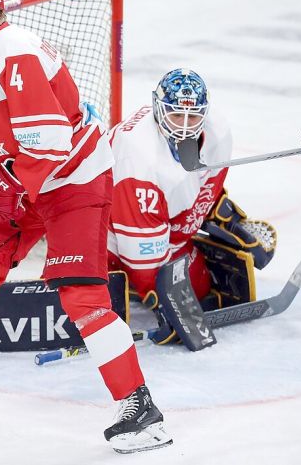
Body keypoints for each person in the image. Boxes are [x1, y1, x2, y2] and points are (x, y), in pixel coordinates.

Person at [0, 0, 170, 453]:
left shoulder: (10, 52)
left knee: (82, 298)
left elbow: (50, 143)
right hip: (38, 182)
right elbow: (9, 143)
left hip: (75, 185)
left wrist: (7, 188)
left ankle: (140, 409)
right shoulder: (2, 51)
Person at [106, 69, 276, 344]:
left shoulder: (217, 132)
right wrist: (167, 303)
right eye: (176, 115)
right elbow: (143, 259)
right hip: (109, 231)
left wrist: (224, 216)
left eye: (193, 116)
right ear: (158, 108)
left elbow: (206, 189)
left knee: (202, 286)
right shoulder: (139, 159)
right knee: (103, 293)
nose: (184, 125)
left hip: (158, 222)